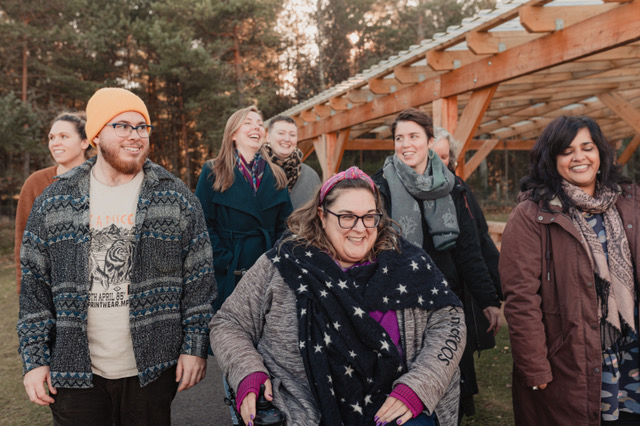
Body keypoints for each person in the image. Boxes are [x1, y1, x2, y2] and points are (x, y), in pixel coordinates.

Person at [17, 87, 216, 425]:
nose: (135, 135)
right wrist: (35, 360)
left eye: (142, 127)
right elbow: (34, 289)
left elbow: (199, 281)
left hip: (152, 369)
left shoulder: (176, 198)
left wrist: (194, 346)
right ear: (95, 134)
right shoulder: (54, 202)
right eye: (121, 125)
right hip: (73, 370)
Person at [210, 166, 466, 426]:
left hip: (395, 410)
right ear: (322, 216)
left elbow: (450, 322)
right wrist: (249, 371)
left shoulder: (408, 264)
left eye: (369, 217)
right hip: (302, 411)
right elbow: (229, 323)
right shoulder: (283, 264)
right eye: (346, 217)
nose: (360, 228)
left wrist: (419, 387)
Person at [499, 116, 640, 425]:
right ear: (552, 159)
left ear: (600, 152)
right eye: (566, 150)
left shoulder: (630, 202)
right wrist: (535, 367)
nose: (579, 157)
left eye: (587, 147)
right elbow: (521, 298)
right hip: (573, 359)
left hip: (632, 351)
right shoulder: (532, 215)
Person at [371, 109, 502, 421]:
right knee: (405, 384)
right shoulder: (378, 187)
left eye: (413, 136)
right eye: (399, 137)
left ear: (429, 141)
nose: (405, 144)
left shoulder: (452, 187)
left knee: (445, 380)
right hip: (398, 301)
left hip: (446, 299)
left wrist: (488, 300)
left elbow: (469, 249)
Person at [431, 127, 504, 418]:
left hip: (458, 293)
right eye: (433, 155)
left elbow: (477, 244)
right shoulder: (397, 192)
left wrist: (491, 296)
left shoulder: (460, 190)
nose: (440, 162)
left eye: (445, 156)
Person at [195, 106, 292, 313]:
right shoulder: (213, 171)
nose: (256, 127)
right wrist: (225, 261)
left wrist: (276, 259)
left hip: (267, 265)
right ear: (232, 134)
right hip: (230, 269)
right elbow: (202, 223)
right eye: (248, 122)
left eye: (259, 124)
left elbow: (286, 226)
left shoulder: (278, 174)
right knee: (229, 332)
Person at [14, 112, 92, 292]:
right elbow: (22, 243)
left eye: (64, 137)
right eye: (51, 137)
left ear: (84, 142)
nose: (55, 143)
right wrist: (25, 292)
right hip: (49, 289)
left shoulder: (102, 180)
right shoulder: (36, 183)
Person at [264, 115, 321, 209]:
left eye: (292, 135)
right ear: (268, 138)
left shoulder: (310, 176)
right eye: (281, 133)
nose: (287, 139)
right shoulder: (256, 171)